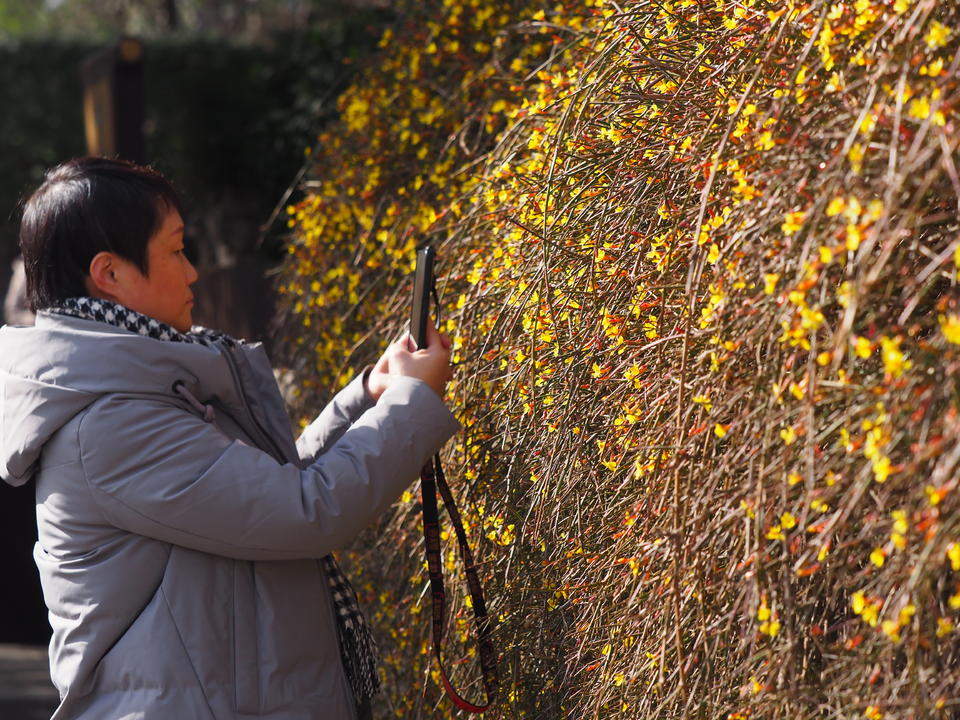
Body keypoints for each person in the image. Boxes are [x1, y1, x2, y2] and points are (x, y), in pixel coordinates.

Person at [0, 156, 460, 720]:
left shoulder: (136, 389)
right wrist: (413, 403)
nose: (193, 272)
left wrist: (371, 395)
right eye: (175, 250)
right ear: (111, 274)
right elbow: (302, 513)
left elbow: (264, 494)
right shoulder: (112, 424)